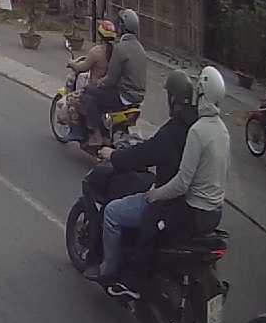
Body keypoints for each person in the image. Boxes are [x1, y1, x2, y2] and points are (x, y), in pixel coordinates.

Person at [89, 68, 228, 288]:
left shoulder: (191, 131)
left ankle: (111, 272)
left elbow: (176, 178)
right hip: (213, 211)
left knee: (113, 213)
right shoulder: (220, 130)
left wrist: (115, 157)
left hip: (176, 201)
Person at [81, 8, 147, 147]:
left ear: (122, 27)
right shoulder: (141, 49)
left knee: (87, 92)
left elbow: (110, 79)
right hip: (138, 98)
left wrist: (99, 82)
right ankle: (107, 132)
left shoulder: (120, 48)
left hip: (123, 96)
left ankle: (96, 134)